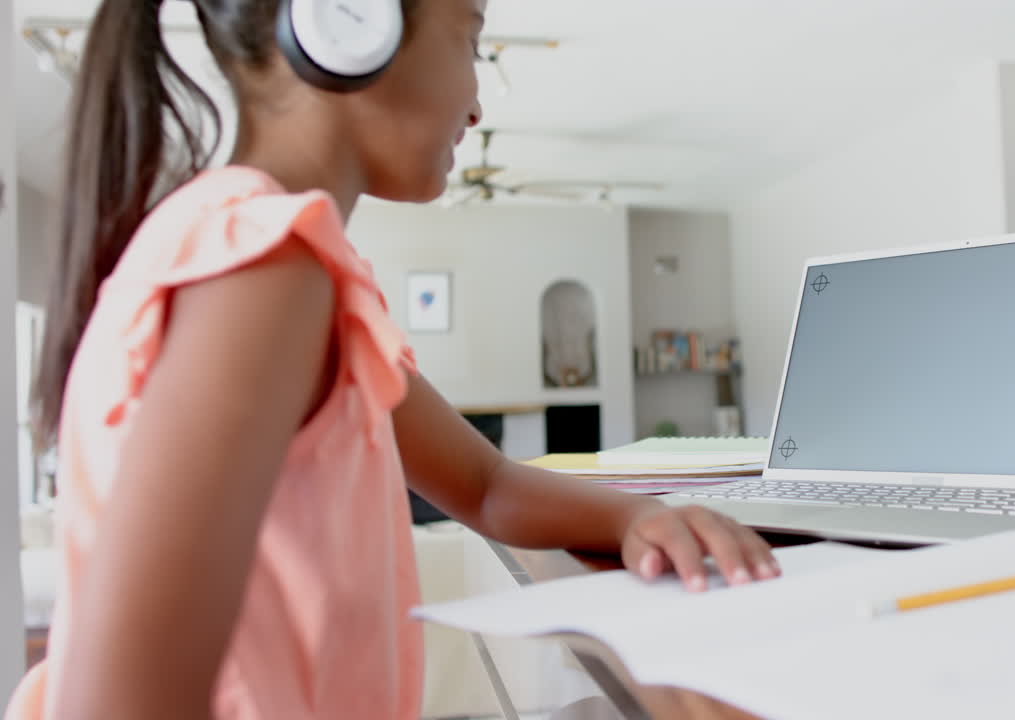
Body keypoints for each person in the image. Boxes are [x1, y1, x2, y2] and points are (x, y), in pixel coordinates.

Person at [5, 1, 779, 717]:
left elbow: (486, 485)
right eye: (470, 39)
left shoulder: (300, 270)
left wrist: (638, 515)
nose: (476, 104)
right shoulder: (262, 270)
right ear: (351, 22)